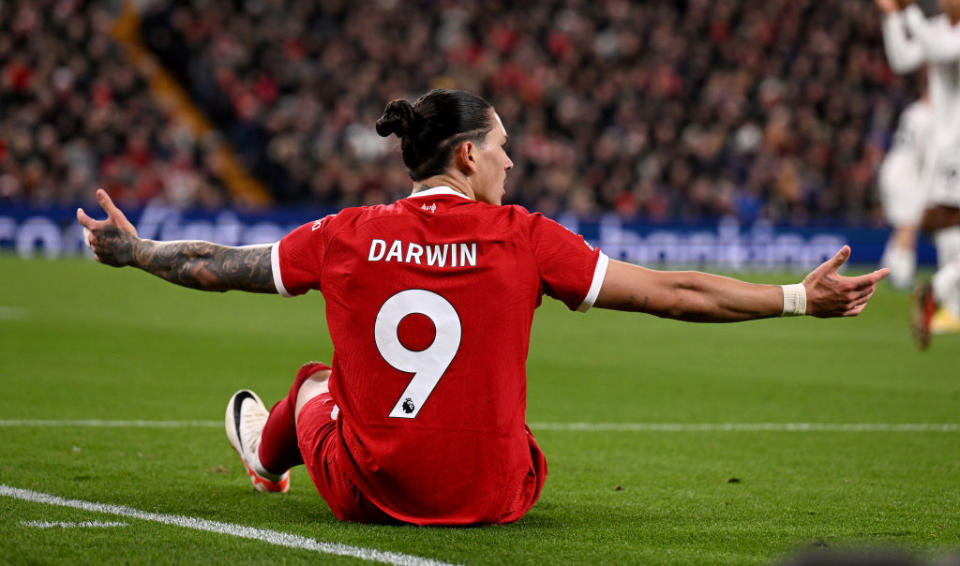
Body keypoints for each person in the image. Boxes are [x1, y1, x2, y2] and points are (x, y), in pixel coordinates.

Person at [78, 89, 888, 526]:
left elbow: (220, 266)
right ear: (468, 154)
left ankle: (264, 452)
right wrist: (793, 298)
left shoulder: (347, 234)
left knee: (321, 380)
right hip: (498, 497)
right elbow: (673, 292)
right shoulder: (524, 237)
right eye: (502, 146)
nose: (510, 161)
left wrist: (133, 252)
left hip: (370, 494)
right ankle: (272, 450)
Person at [878, 0, 960, 346]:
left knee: (946, 224)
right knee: (943, 223)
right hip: (947, 148)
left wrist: (909, 11)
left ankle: (945, 297)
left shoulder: (944, 36)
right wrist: (892, 17)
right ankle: (949, 303)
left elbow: (941, 51)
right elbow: (903, 59)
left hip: (951, 145)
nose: (942, 2)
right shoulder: (940, 28)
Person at [878, 95, 932, 291]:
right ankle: (902, 274)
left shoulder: (913, 110)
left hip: (893, 165)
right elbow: (926, 150)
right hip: (907, 171)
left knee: (904, 223)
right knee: (909, 224)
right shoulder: (929, 116)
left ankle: (889, 267)